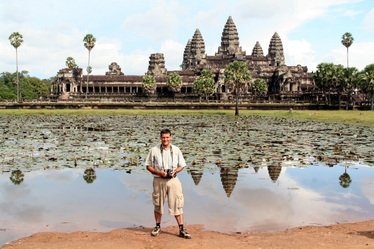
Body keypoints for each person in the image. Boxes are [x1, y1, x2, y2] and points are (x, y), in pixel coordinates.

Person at [145, 128, 191, 239]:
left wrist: (175, 171)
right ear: (160, 138)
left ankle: (181, 228)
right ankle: (157, 226)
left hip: (173, 180)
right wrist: (159, 172)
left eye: (167, 137)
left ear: (170, 137)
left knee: (177, 204)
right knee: (158, 204)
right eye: (163, 137)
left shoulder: (176, 150)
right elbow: (148, 166)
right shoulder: (154, 150)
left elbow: (183, 165)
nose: (165, 139)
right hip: (158, 180)